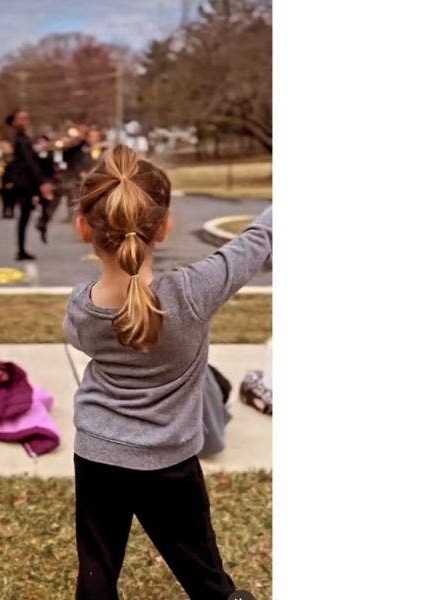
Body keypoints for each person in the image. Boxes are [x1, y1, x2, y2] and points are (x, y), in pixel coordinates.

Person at [64, 145, 272, 599]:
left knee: (97, 572)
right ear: (164, 226)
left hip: (96, 455)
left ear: (83, 228)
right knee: (205, 576)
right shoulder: (195, 291)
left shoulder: (80, 308)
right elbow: (258, 240)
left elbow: (86, 338)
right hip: (170, 462)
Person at [6, 109, 54, 260]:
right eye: (21, 118)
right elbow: (30, 163)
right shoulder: (20, 139)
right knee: (25, 215)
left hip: (28, 181)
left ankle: (24, 246)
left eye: (26, 118)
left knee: (29, 213)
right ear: (14, 122)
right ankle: (21, 249)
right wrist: (42, 182)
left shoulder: (25, 138)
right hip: (25, 182)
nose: (25, 121)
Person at [34, 134, 58, 244]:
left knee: (46, 208)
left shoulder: (51, 154)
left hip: (48, 183)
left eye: (44, 142)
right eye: (40, 142)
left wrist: (52, 182)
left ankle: (43, 228)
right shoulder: (34, 155)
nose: (42, 144)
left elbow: (53, 170)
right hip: (37, 184)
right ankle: (40, 223)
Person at [0, 141, 16, 219]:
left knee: (12, 198)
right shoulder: (0, 158)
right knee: (4, 198)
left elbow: (15, 170)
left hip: (11, 180)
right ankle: (4, 211)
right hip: (2, 181)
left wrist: (11, 181)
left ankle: (11, 211)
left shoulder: (14, 158)